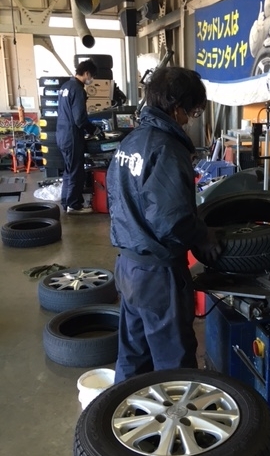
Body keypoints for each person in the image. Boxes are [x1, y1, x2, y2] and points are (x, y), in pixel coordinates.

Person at [106, 66, 222, 384]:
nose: (189, 120)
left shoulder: (131, 142)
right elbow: (172, 221)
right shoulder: (168, 149)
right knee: (175, 365)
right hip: (159, 276)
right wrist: (204, 236)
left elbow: (118, 199)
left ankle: (123, 414)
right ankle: (175, 416)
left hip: (128, 266)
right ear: (176, 107)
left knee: (133, 356)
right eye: (191, 112)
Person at [56, 59, 103, 214]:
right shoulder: (78, 89)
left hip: (61, 134)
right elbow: (80, 119)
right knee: (76, 171)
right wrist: (94, 130)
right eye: (92, 76)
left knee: (69, 170)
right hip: (72, 136)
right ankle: (74, 205)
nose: (92, 79)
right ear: (87, 73)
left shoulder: (65, 87)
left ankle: (66, 202)